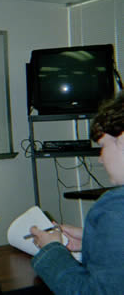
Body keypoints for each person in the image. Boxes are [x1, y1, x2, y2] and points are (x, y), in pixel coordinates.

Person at [30, 93, 124, 294]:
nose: (100, 159)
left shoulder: (115, 208)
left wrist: (52, 252)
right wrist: (93, 239)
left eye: (102, 147)